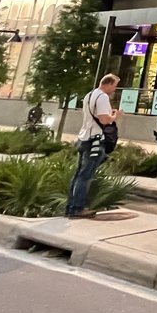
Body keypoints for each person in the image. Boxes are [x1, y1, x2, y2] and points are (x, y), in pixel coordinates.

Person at [66, 73, 120, 219]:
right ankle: (77, 208)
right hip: (94, 140)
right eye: (114, 86)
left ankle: (71, 206)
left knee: (78, 175)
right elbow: (104, 119)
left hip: (84, 138)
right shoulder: (102, 97)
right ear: (107, 84)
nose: (114, 90)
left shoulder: (90, 95)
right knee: (85, 176)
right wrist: (115, 116)